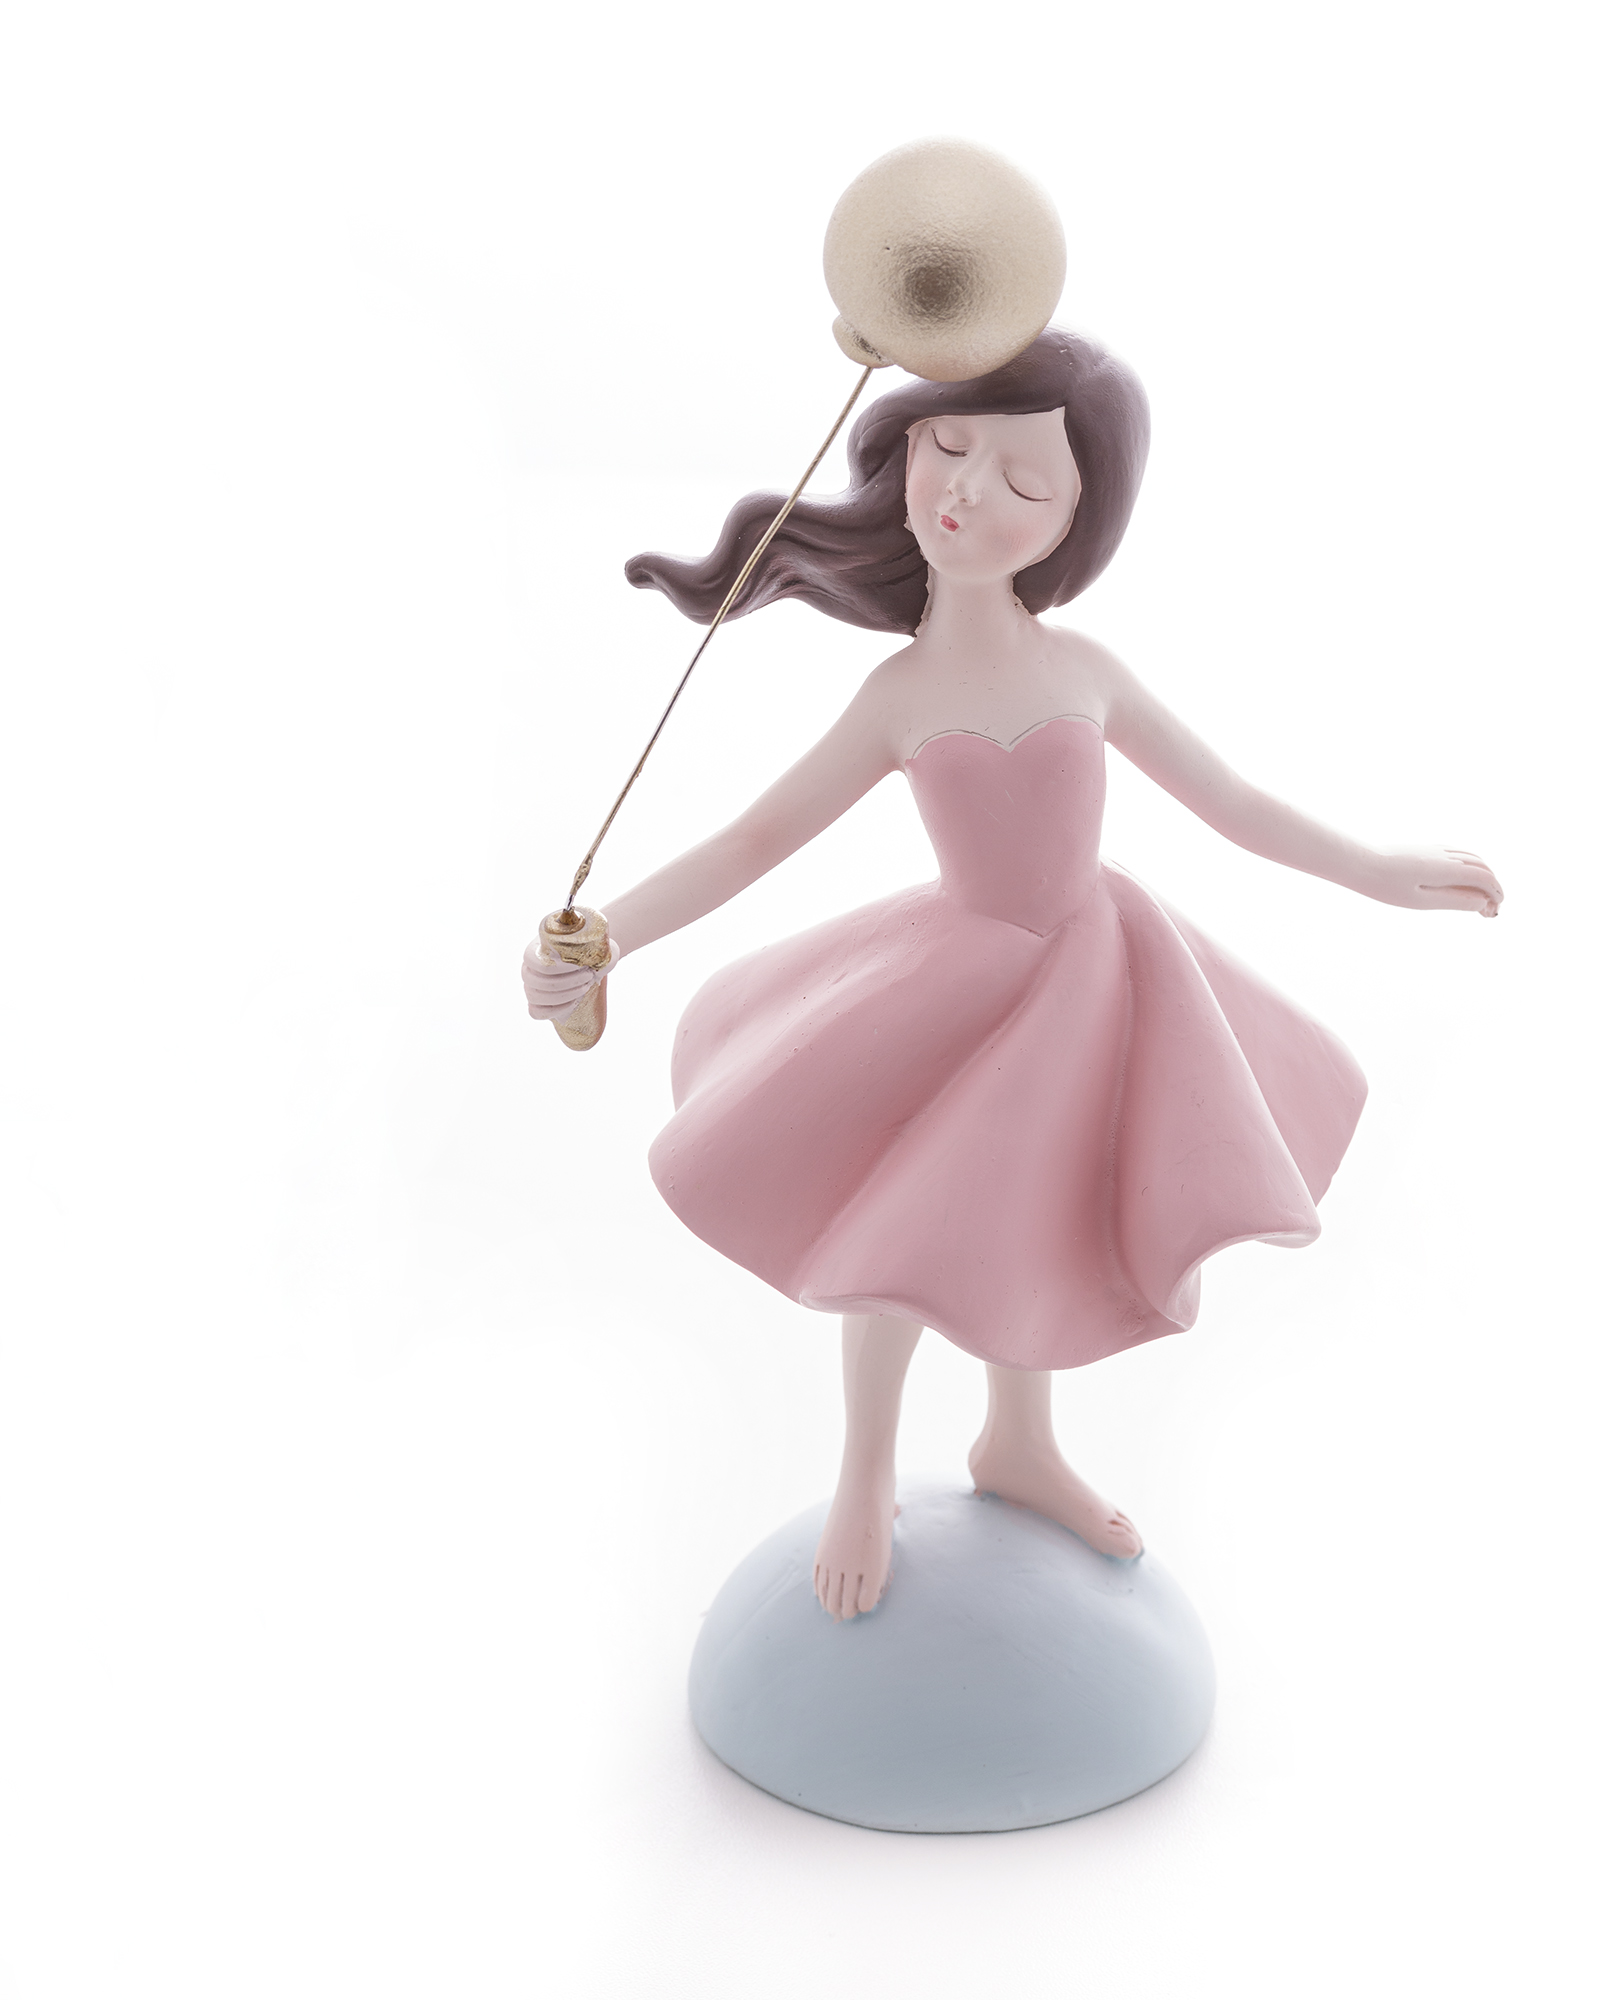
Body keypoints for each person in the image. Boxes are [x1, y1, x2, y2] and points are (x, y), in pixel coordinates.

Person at [522, 331, 1502, 1622]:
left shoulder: (1085, 673)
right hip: (952, 975)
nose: (970, 491)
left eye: (1026, 482)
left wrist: (1376, 869)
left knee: (1035, 1217)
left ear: (1074, 524)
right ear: (905, 445)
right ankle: (866, 1467)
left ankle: (1018, 1442)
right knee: (895, 1225)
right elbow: (755, 839)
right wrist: (608, 934)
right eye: (950, 445)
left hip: (1093, 974)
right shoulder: (899, 695)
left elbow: (1237, 804)